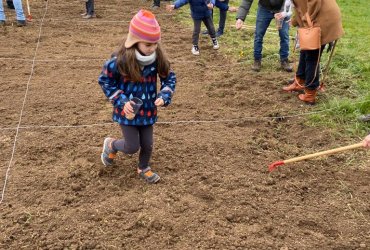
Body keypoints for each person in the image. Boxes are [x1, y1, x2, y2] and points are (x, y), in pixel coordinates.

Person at [98, 10, 176, 183]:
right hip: (127, 112)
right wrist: (121, 100)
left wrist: (165, 94)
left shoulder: (157, 59)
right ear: (134, 41)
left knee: (147, 144)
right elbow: (105, 81)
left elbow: (169, 78)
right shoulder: (119, 61)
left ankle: (143, 167)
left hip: (148, 111)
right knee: (132, 146)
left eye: (155, 43)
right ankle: (111, 144)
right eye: (148, 44)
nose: (153, 48)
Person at [282, 0, 344, 104]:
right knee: (305, 50)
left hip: (323, 19)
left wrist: (306, 19)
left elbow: (314, 3)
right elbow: (301, 6)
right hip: (317, 17)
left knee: (312, 56)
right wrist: (295, 21)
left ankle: (310, 93)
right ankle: (299, 80)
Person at [235, 0, 292, 72]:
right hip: (264, 8)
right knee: (259, 35)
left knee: (284, 35)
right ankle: (257, 59)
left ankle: (284, 60)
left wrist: (284, 13)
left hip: (283, 8)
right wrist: (240, 18)